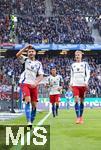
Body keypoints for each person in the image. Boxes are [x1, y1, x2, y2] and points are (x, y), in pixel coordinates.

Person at [16, 45, 44, 127]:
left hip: (33, 85)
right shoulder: (25, 60)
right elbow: (17, 55)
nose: (31, 53)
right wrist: (25, 47)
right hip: (25, 83)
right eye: (29, 52)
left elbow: (41, 75)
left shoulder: (38, 63)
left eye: (32, 51)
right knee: (27, 100)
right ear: (27, 53)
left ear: (35, 53)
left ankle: (31, 120)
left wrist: (36, 82)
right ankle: (28, 122)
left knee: (34, 105)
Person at [70, 50, 90, 124]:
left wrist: (86, 82)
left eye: (78, 55)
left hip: (83, 85)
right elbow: (72, 75)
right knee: (76, 100)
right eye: (76, 55)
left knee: (82, 101)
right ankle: (77, 117)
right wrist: (70, 83)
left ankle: (81, 117)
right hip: (75, 85)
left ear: (81, 55)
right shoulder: (73, 65)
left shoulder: (85, 64)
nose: (77, 56)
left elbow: (88, 74)